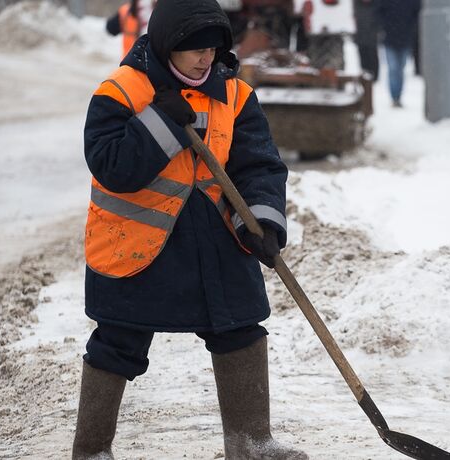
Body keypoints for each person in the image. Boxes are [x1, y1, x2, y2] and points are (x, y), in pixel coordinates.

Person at [74, 0, 307, 459]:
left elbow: (258, 165)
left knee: (241, 329)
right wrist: (160, 123)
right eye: (193, 48)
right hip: (139, 246)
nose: (205, 58)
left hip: (215, 242)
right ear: (166, 44)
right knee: (117, 342)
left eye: (213, 48)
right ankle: (92, 449)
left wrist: (260, 220)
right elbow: (113, 166)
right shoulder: (121, 91)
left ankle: (251, 443)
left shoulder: (235, 94)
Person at [376, 0, 421, 107]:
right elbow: (378, 12)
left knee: (400, 69)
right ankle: (395, 96)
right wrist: (383, 28)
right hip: (390, 39)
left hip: (405, 39)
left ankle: (398, 95)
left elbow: (417, 14)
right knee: (393, 68)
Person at [353, 0, 380, 81]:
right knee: (363, 54)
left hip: (372, 34)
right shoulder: (356, 4)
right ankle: (365, 75)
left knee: (372, 54)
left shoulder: (376, 4)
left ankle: (374, 76)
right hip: (361, 34)